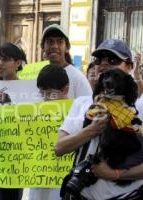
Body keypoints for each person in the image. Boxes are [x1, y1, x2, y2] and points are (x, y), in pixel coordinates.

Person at [56, 39, 143, 200]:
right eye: (98, 59)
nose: (104, 64)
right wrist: (90, 130)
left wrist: (115, 174)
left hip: (128, 196)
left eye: (113, 60)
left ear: (130, 66)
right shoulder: (83, 103)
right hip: (81, 195)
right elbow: (60, 148)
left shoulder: (140, 106)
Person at [0, 43, 26, 200]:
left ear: (18, 63)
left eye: (6, 59)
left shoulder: (28, 91)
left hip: (14, 156)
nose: (0, 63)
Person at [29, 64, 69, 200]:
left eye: (50, 94)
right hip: (38, 181)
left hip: (62, 183)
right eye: (42, 93)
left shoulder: (75, 113)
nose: (45, 98)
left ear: (65, 90)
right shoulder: (36, 113)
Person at [41, 24, 92, 98]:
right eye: (50, 41)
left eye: (60, 42)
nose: (54, 46)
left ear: (67, 48)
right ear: (43, 47)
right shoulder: (38, 76)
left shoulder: (78, 78)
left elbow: (87, 106)